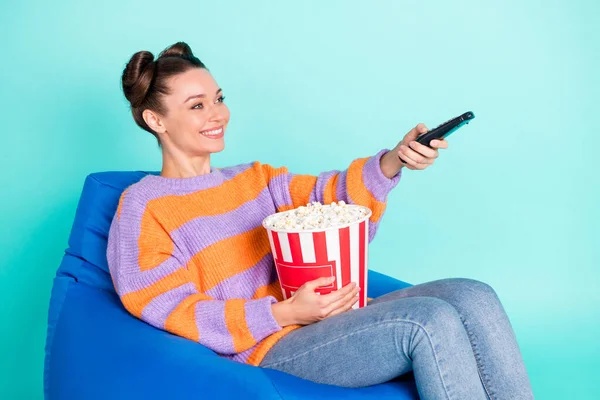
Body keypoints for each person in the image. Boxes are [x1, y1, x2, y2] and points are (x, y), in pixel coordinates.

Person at [106, 41, 534, 400]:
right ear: (155, 119)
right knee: (428, 321)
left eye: (219, 98)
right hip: (267, 347)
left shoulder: (255, 179)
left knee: (475, 295)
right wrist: (282, 312)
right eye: (197, 106)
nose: (217, 115)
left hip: (325, 320)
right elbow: (171, 307)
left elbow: (330, 201)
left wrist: (393, 159)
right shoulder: (144, 207)